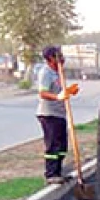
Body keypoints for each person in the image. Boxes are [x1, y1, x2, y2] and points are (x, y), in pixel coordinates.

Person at [37, 46, 79, 185]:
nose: (62, 58)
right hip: (49, 114)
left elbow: (61, 92)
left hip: (60, 114)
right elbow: (42, 93)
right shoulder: (46, 73)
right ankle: (51, 174)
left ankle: (58, 172)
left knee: (62, 147)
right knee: (53, 146)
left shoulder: (58, 72)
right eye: (58, 55)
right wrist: (58, 97)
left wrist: (69, 91)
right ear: (50, 58)